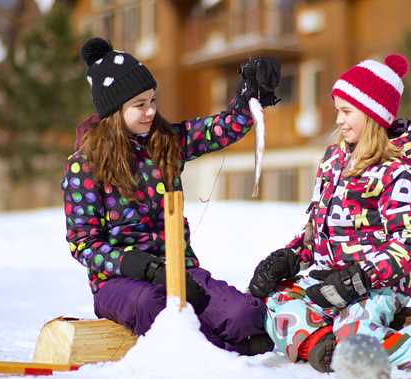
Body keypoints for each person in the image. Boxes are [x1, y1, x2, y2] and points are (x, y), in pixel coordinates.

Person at [248, 54, 411, 378]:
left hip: (375, 283)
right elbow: (317, 229)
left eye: (346, 111)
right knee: (273, 301)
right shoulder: (332, 161)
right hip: (328, 278)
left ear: (371, 114)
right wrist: (291, 257)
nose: (338, 120)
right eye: (337, 109)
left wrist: (361, 278)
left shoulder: (398, 172)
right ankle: (324, 348)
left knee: (356, 336)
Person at [62, 37, 280, 355]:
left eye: (153, 101)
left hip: (181, 270)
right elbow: (83, 244)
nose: (151, 111)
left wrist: (250, 97)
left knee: (244, 314)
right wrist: (139, 266)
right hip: (120, 283)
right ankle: (223, 354)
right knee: (159, 307)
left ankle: (230, 344)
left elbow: (221, 128)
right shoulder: (85, 166)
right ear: (113, 110)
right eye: (139, 105)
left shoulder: (166, 141)